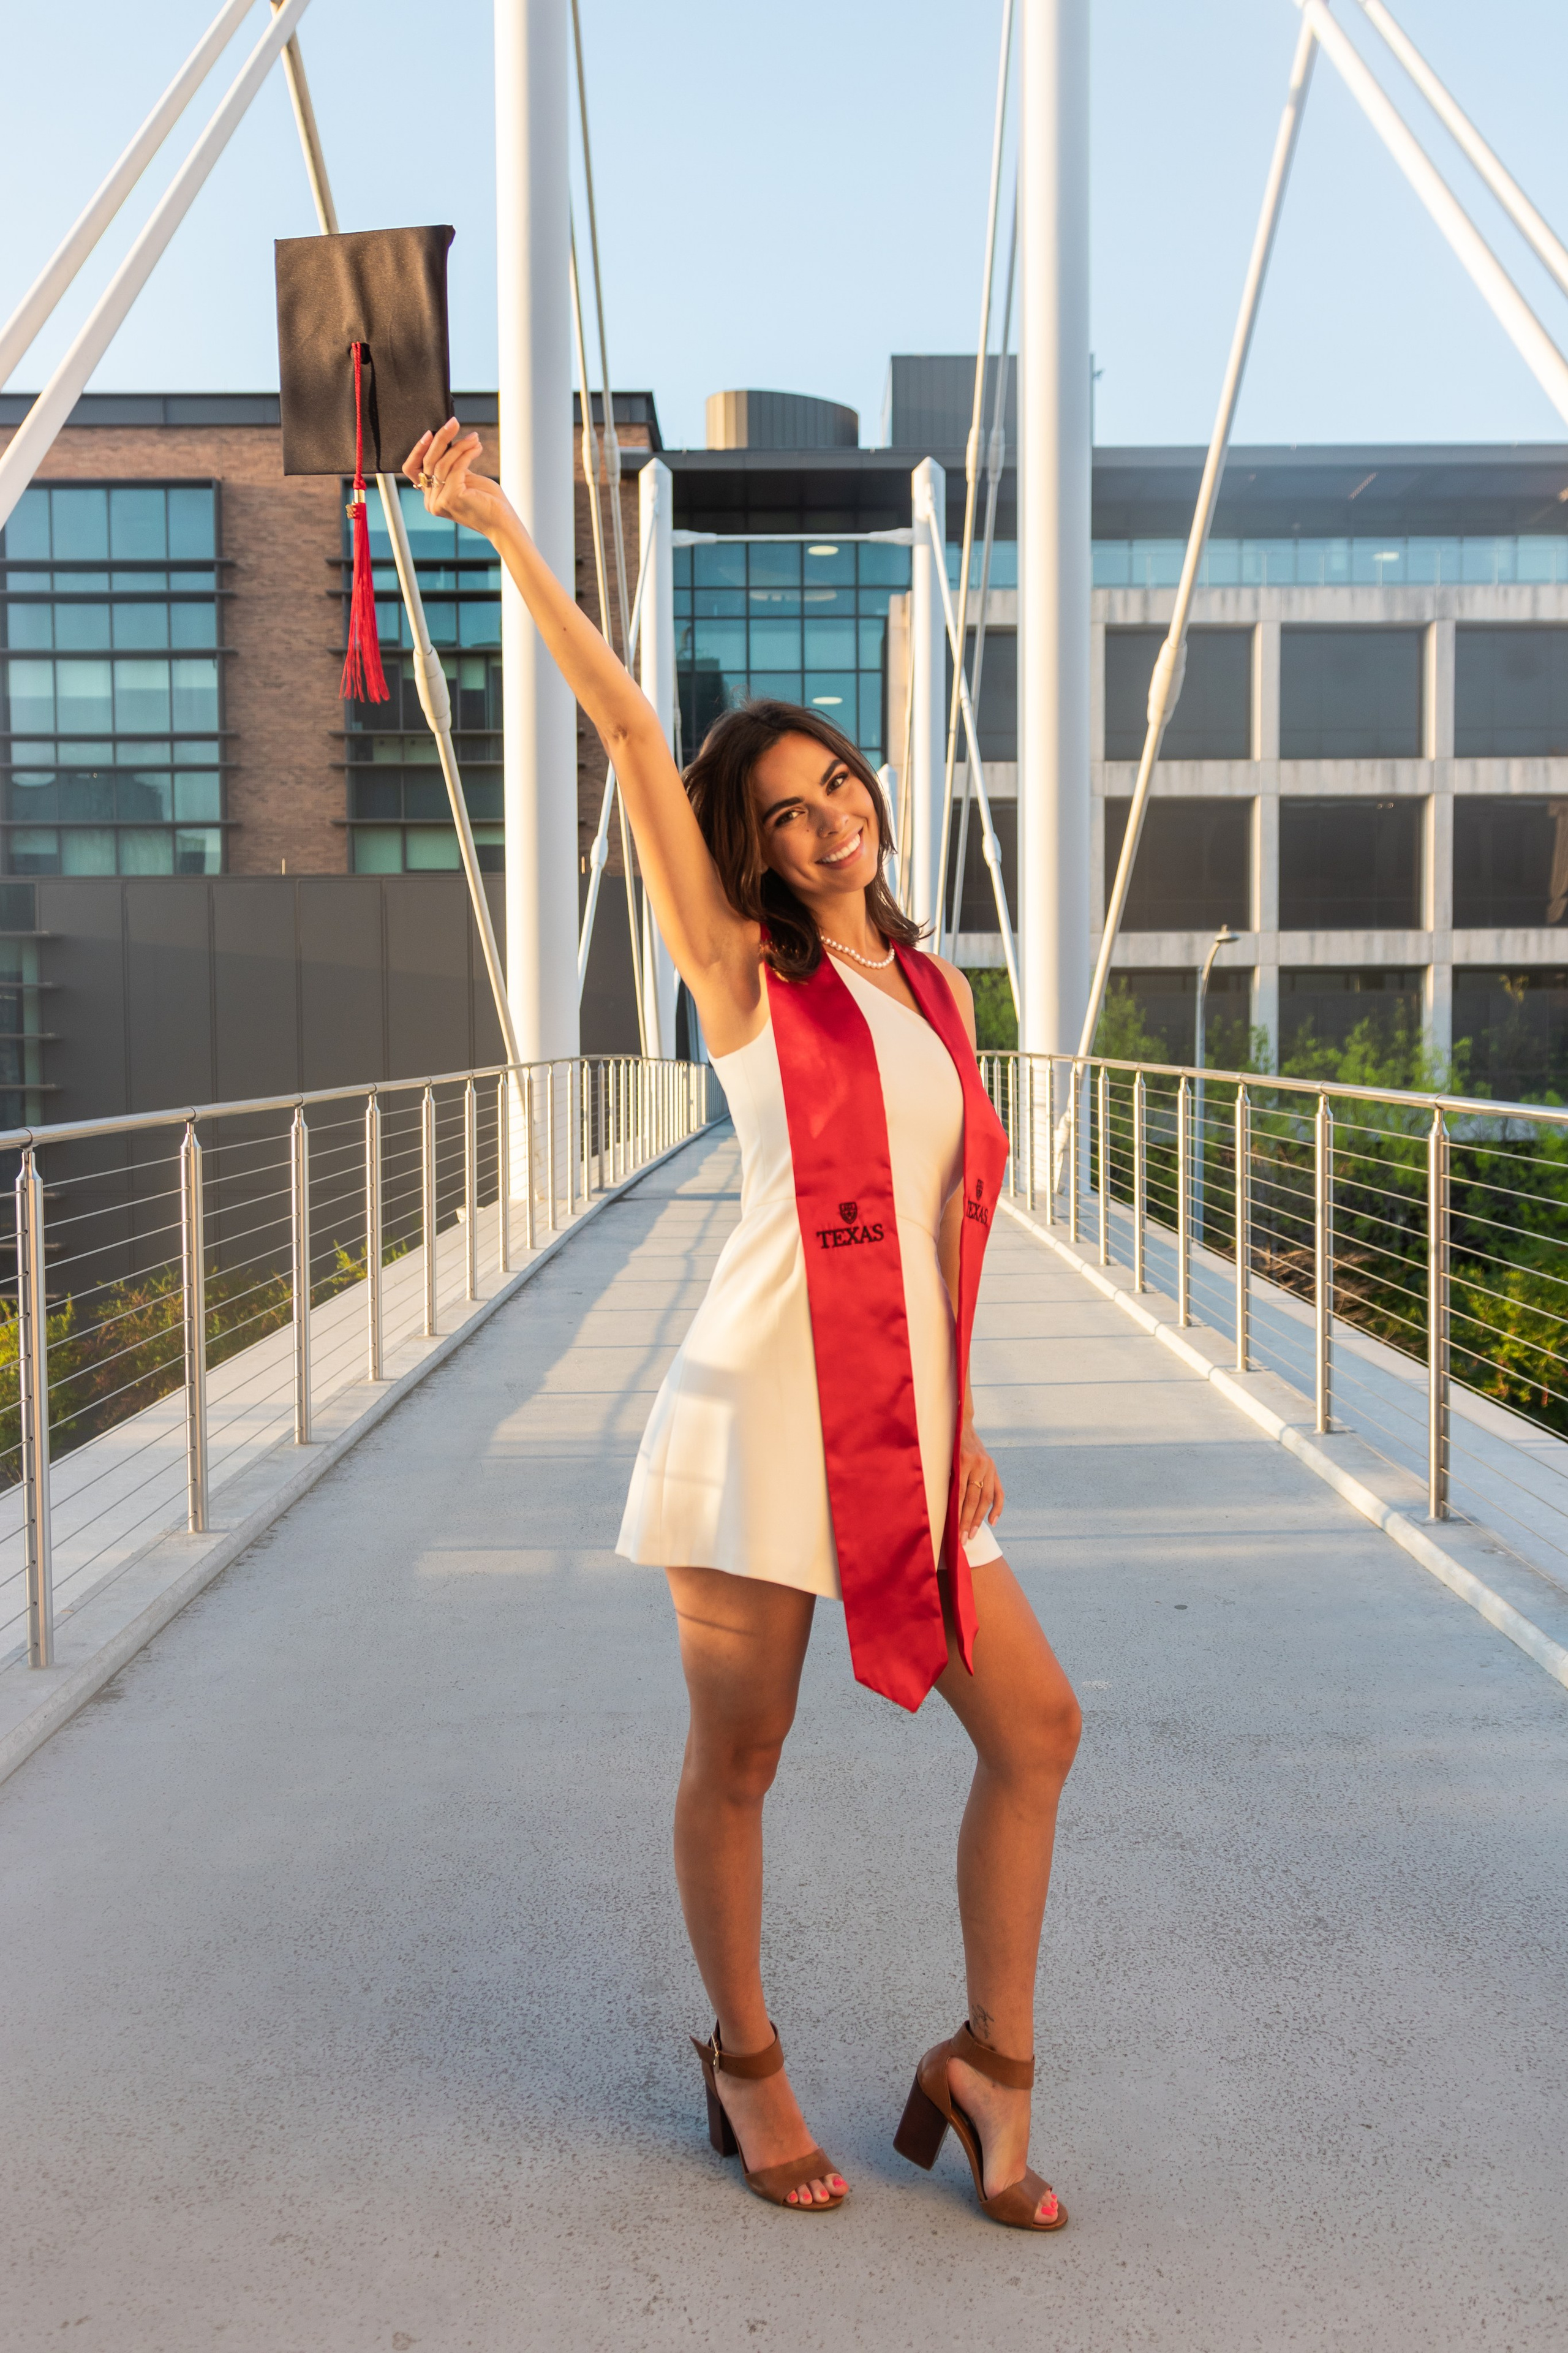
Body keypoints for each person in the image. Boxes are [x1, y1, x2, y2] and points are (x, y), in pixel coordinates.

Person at [405, 418, 1082, 2229]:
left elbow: (936, 1230)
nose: (827, 816)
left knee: (1037, 1726)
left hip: (914, 1419)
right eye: (783, 810)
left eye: (837, 783)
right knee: (744, 1750)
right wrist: (497, 526)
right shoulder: (746, 979)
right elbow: (632, 729)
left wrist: (966, 1410)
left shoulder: (930, 982)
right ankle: (746, 2052)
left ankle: (989, 2063)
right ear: (756, 852)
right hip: (760, 1408)